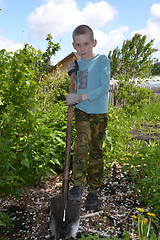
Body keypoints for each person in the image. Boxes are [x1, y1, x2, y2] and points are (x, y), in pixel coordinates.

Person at [66, 24, 110, 211]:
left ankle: (93, 191)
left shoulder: (102, 60)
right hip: (82, 111)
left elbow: (104, 87)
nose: (82, 48)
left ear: (94, 42)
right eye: (78, 45)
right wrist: (71, 73)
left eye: (86, 43)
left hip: (99, 113)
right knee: (81, 144)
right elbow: (76, 83)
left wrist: (80, 97)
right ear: (74, 46)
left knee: (96, 151)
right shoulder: (77, 64)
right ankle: (77, 185)